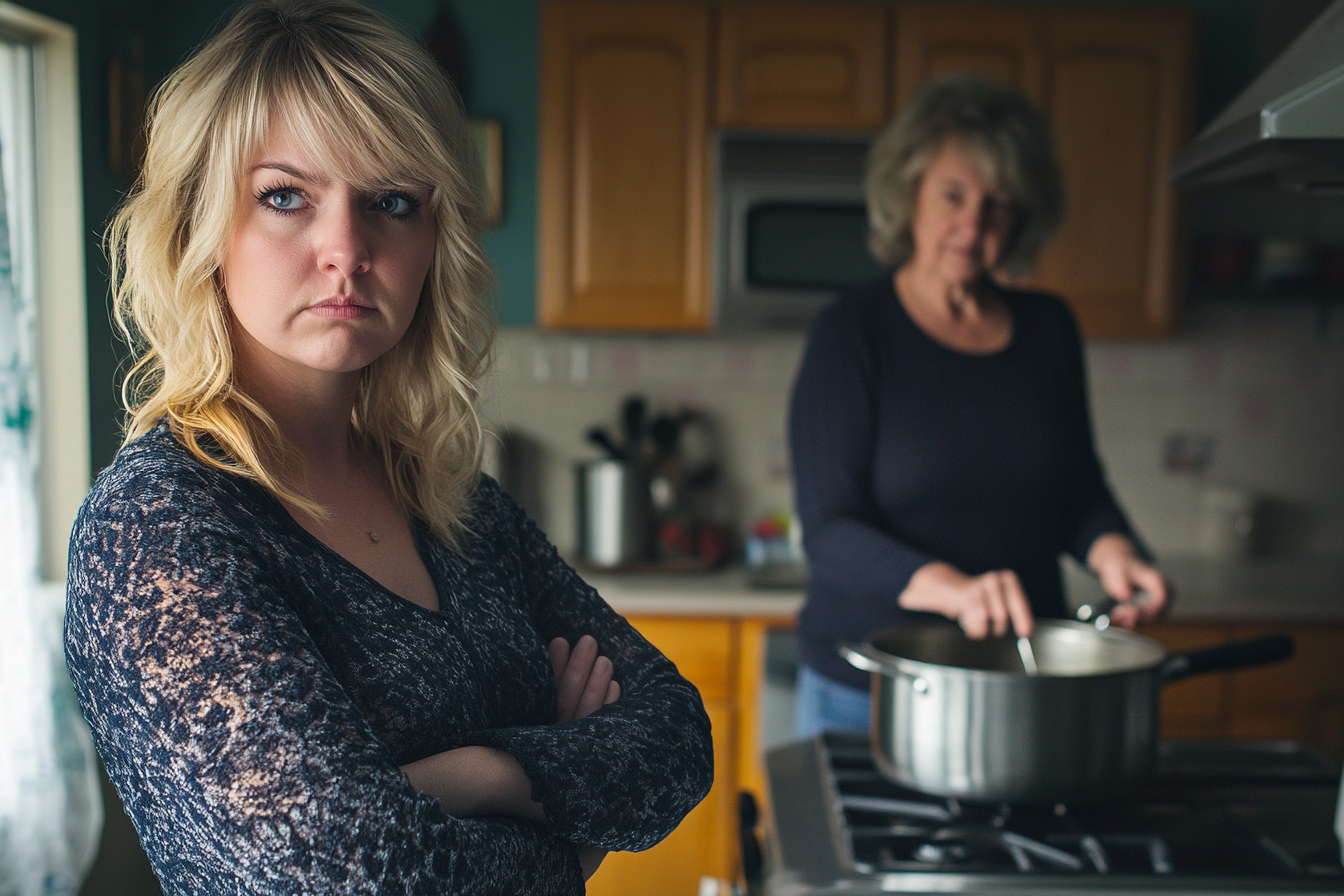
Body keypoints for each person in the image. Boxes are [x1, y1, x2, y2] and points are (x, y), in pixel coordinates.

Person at [62, 2, 713, 892]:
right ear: (201, 228)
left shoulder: (453, 501)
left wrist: (485, 774)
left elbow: (677, 738)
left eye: (392, 203)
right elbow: (336, 870)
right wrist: (569, 820)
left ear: (432, 241)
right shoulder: (157, 524)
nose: (347, 250)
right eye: (285, 196)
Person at [789, 73, 1171, 737]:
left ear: (1023, 215)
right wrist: (956, 588)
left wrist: (1114, 551)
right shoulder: (852, 332)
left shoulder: (1049, 327)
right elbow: (830, 532)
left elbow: (1075, 489)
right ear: (909, 193)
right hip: (876, 688)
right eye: (954, 195)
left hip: (1019, 682)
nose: (974, 224)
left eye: (998, 203)